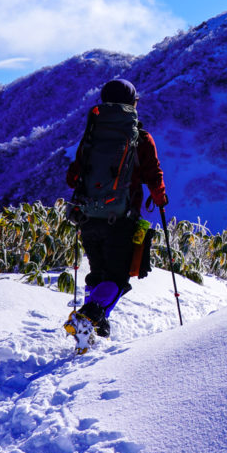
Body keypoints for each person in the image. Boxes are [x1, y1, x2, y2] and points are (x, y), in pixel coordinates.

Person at [64, 78, 169, 338]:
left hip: (88, 216)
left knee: (98, 272)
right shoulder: (141, 138)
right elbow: (153, 175)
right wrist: (160, 199)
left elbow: (72, 178)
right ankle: (88, 316)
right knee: (118, 277)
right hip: (122, 218)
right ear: (132, 103)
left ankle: (96, 328)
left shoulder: (92, 135)